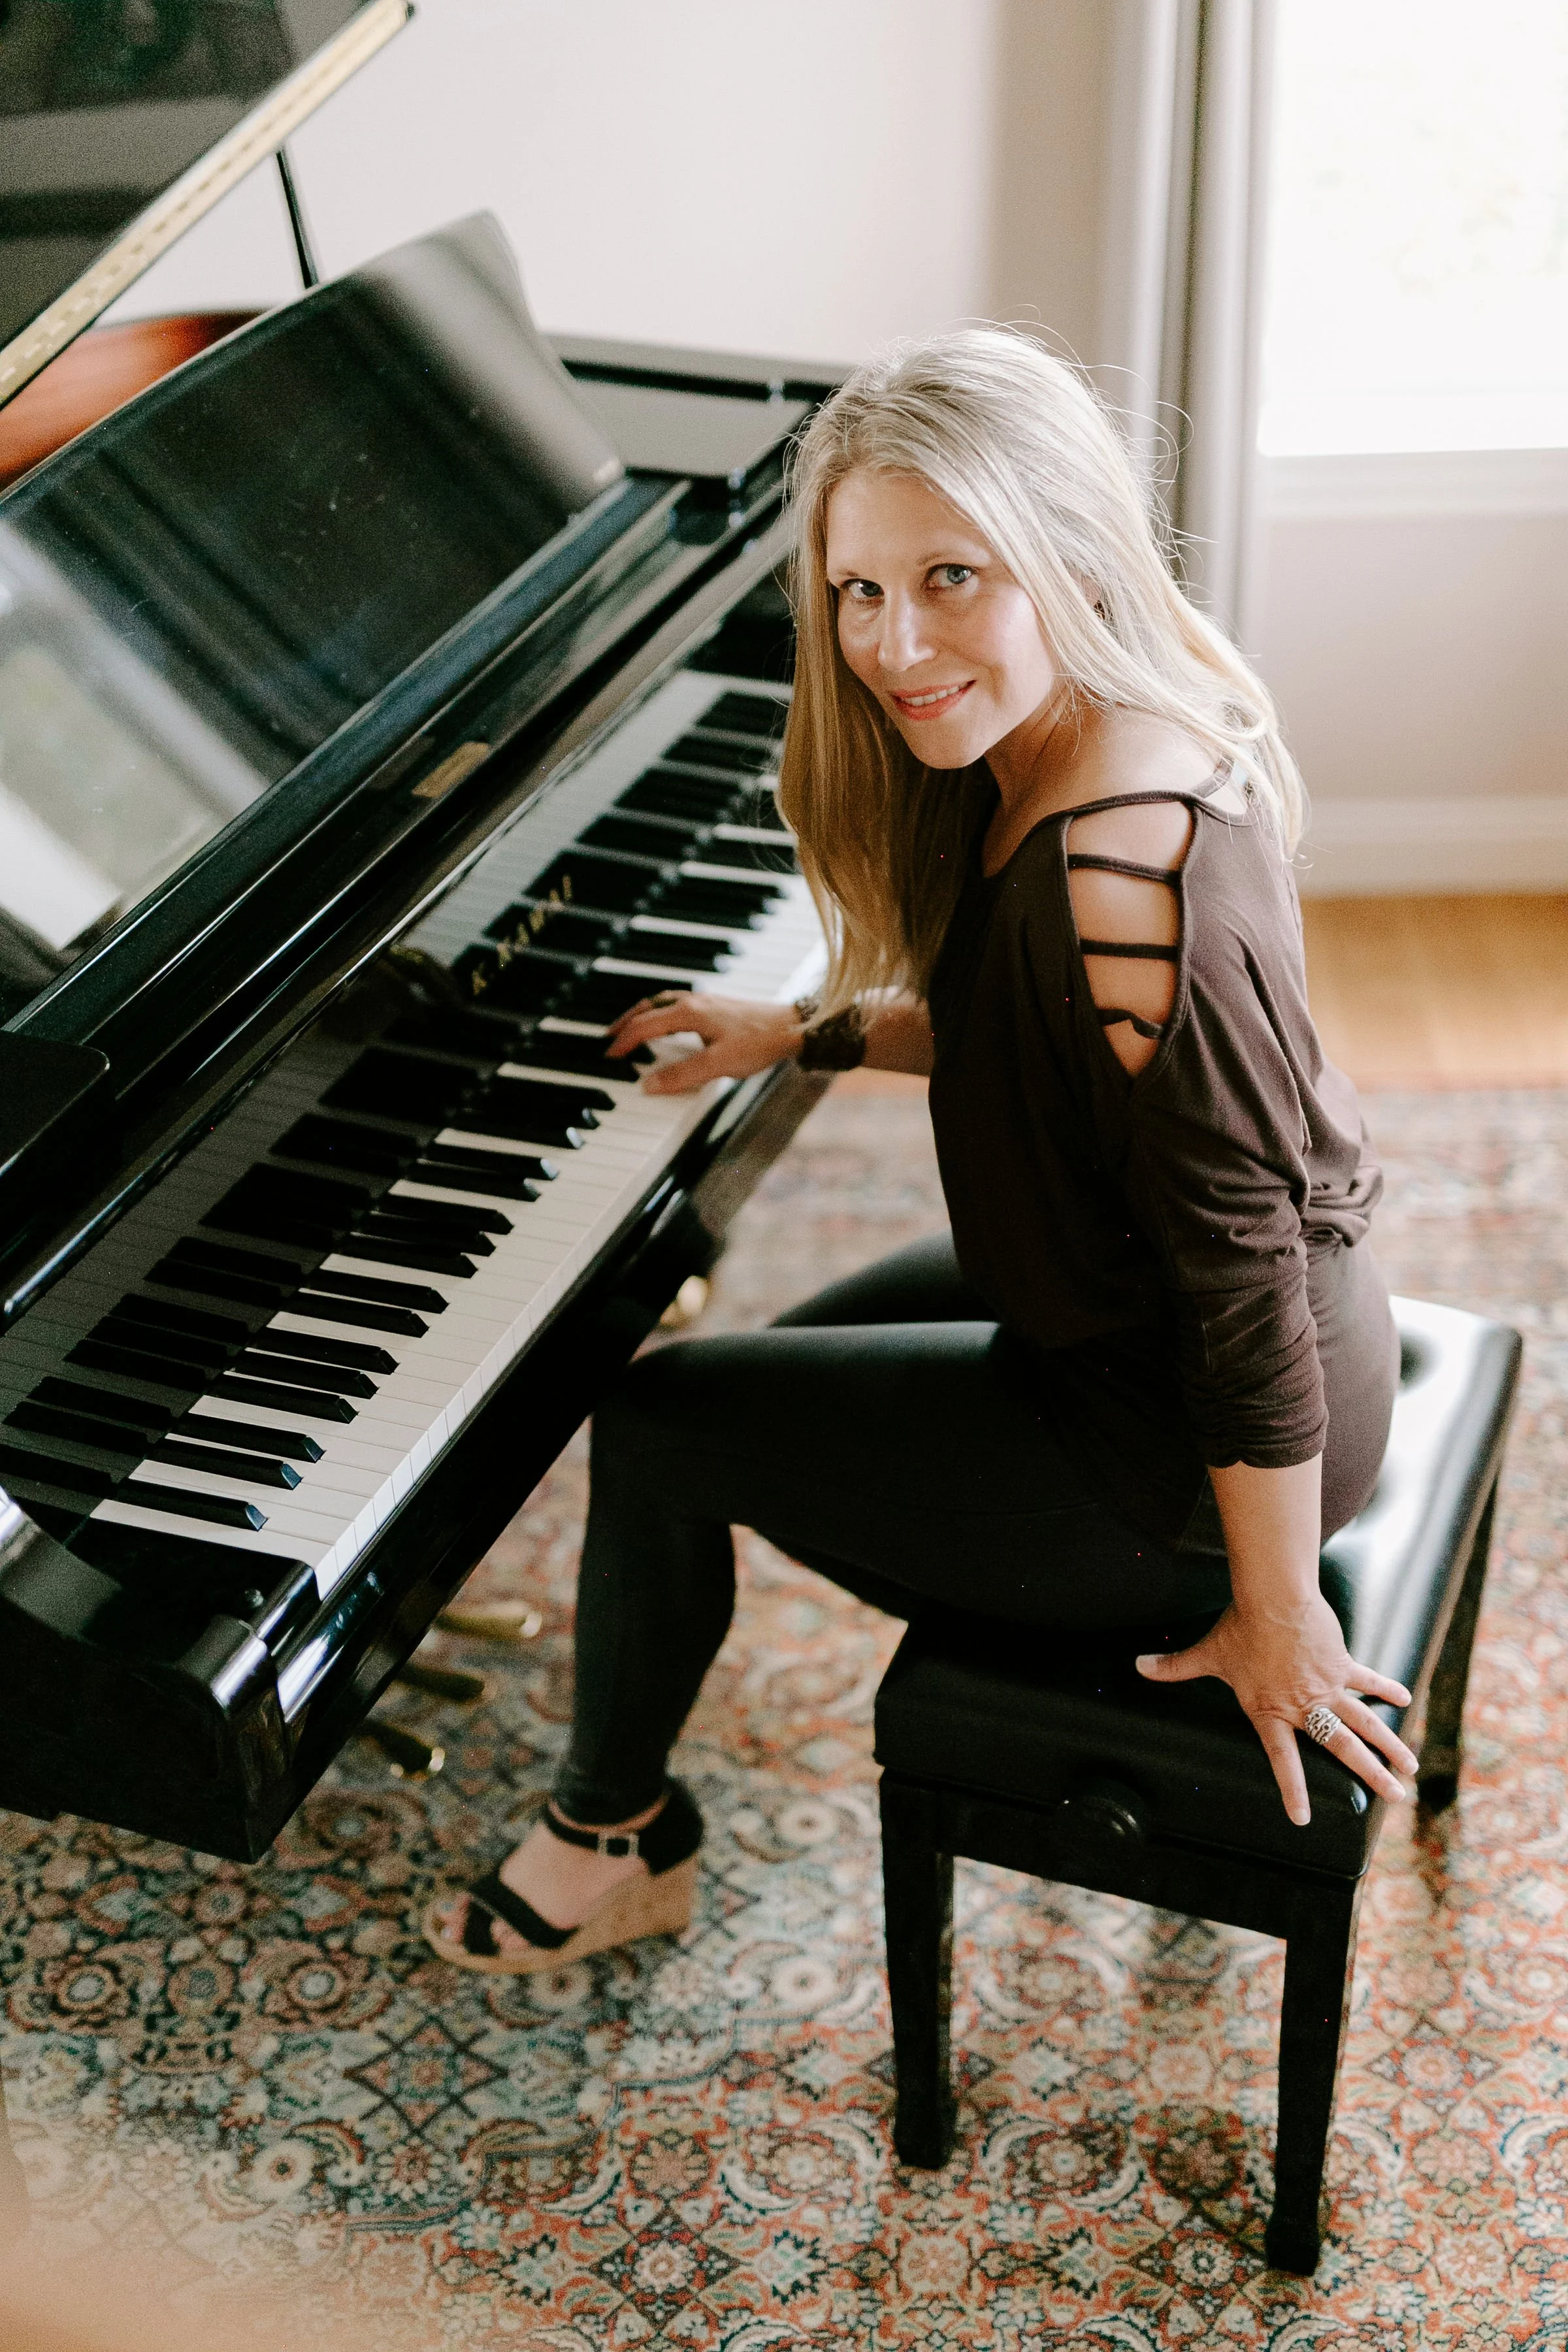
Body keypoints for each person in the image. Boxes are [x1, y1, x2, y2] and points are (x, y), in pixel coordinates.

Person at [425, 327, 1417, 1975]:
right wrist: (801, 1030)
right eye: (858, 594)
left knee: (663, 1420)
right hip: (1131, 1313)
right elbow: (1022, 1037)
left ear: (1064, 552)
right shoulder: (1080, 751)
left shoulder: (1125, 891)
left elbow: (1236, 1283)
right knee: (765, 1375)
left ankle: (612, 1839)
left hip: (1192, 1448)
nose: (896, 645)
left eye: (953, 576)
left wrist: (1277, 1616)